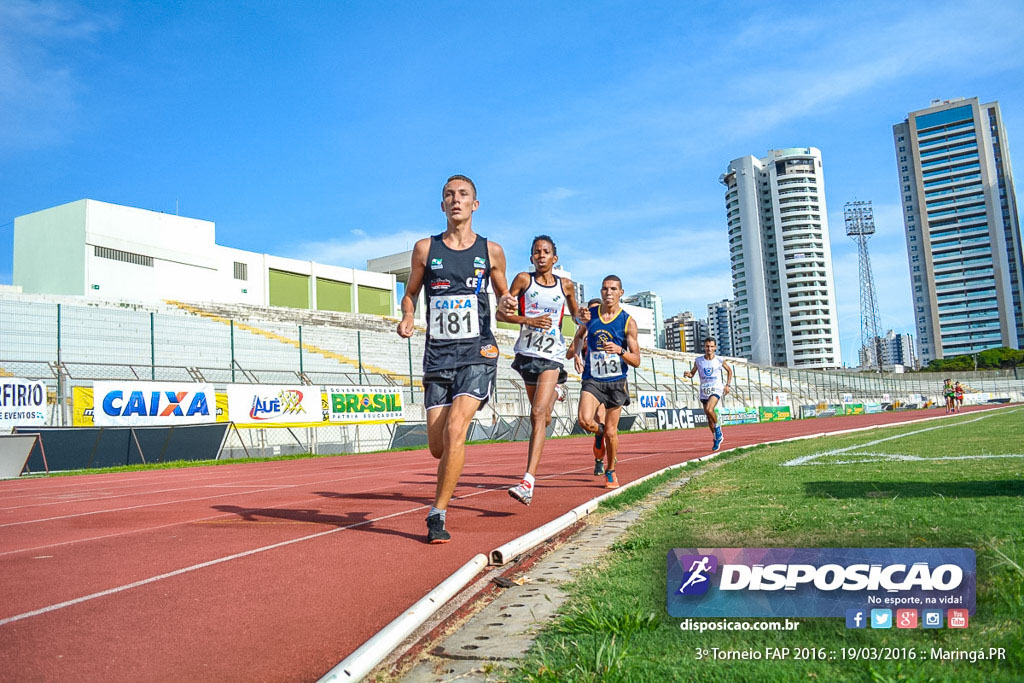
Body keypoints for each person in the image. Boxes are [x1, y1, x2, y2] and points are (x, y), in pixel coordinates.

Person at [397, 174, 515, 544]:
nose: (456, 200)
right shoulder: (424, 249)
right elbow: (411, 293)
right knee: (437, 445)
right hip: (438, 356)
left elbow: (503, 298)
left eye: (463, 195)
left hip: (478, 351)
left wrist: (508, 302)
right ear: (442, 205)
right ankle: (454, 453)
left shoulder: (491, 250)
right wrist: (407, 316)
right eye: (449, 195)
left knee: (455, 430)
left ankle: (437, 513)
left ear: (474, 204)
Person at [504, 236, 586, 506]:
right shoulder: (523, 281)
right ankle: (556, 393)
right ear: (531, 258)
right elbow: (501, 314)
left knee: (537, 415)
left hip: (552, 356)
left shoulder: (566, 286)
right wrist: (527, 319)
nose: (541, 256)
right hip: (527, 355)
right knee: (546, 417)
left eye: (546, 252)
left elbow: (574, 316)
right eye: (536, 252)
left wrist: (581, 318)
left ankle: (528, 481)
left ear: (555, 258)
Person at [569, 276, 640, 488]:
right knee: (584, 420)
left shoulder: (628, 321)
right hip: (593, 378)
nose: (608, 293)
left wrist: (620, 351)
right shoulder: (590, 315)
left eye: (613, 289)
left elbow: (636, 360)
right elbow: (579, 334)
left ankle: (611, 470)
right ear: (601, 292)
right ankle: (597, 432)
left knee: (612, 432)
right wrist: (576, 354)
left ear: (621, 292)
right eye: (605, 289)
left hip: (616, 381)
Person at [570, 298, 607, 475]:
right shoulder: (583, 331)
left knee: (603, 417)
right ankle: (599, 451)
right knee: (590, 420)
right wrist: (578, 352)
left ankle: (603, 459)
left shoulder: (607, 326)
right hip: (591, 379)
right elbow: (570, 353)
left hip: (610, 379)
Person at [684, 337, 733, 452]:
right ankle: (716, 437)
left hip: (716, 389)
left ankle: (718, 430)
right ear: (704, 347)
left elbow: (729, 371)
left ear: (715, 347)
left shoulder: (720, 360)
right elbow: (693, 373)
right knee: (709, 417)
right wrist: (688, 374)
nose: (709, 348)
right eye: (707, 346)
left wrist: (727, 385)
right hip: (704, 390)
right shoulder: (699, 360)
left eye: (711, 346)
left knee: (710, 409)